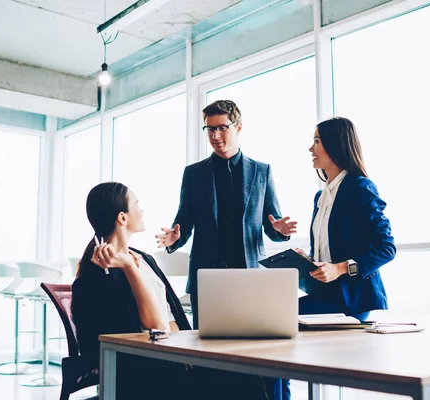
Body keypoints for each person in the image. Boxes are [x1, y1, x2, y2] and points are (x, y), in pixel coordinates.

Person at [71, 182, 270, 400]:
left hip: (180, 356)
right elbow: (157, 326)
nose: (142, 210)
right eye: (137, 205)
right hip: (153, 372)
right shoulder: (100, 275)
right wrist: (128, 266)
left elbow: (172, 315)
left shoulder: (144, 258)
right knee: (244, 380)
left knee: (247, 372)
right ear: (122, 218)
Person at [156, 99, 297, 328]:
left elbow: (272, 223)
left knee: (250, 344)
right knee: (206, 347)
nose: (215, 136)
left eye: (222, 128)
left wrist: (279, 230)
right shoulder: (193, 173)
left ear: (238, 127)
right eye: (210, 129)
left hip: (249, 274)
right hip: (206, 275)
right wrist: (174, 239)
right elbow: (184, 222)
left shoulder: (262, 171)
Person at [296, 117, 396, 321]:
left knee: (279, 312)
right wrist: (306, 260)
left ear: (335, 145)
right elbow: (329, 252)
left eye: (317, 141)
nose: (310, 149)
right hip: (324, 293)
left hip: (352, 299)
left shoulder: (360, 188)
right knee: (275, 309)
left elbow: (387, 249)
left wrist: (340, 268)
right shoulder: (321, 197)